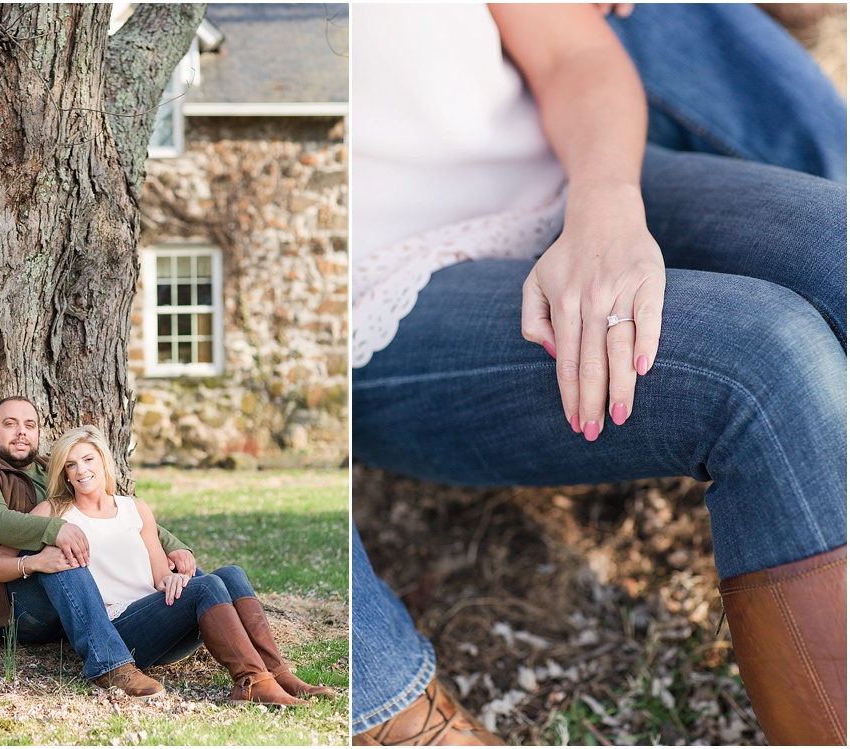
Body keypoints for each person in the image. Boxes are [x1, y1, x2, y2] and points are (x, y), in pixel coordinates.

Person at [351, 3, 846, 746]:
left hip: (562, 175)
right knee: (765, 368)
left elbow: (570, 52)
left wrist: (607, 201)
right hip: (381, 296)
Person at [0, 425, 336, 706]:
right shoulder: (53, 512)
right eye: (71, 465)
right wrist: (37, 561)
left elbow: (158, 574)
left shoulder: (136, 508)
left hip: (161, 620)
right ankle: (251, 682)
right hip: (119, 630)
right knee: (208, 586)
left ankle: (277, 673)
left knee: (230, 574)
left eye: (88, 459)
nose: (82, 470)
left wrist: (171, 580)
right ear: (64, 473)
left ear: (103, 462)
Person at [0, 396, 196, 700]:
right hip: (3, 601)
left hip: (67, 600)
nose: (21, 432)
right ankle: (110, 664)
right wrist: (56, 529)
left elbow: (112, 510)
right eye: (10, 424)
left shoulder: (56, 468)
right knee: (60, 555)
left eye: (29, 425)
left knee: (192, 579)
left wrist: (175, 546)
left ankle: (171, 640)